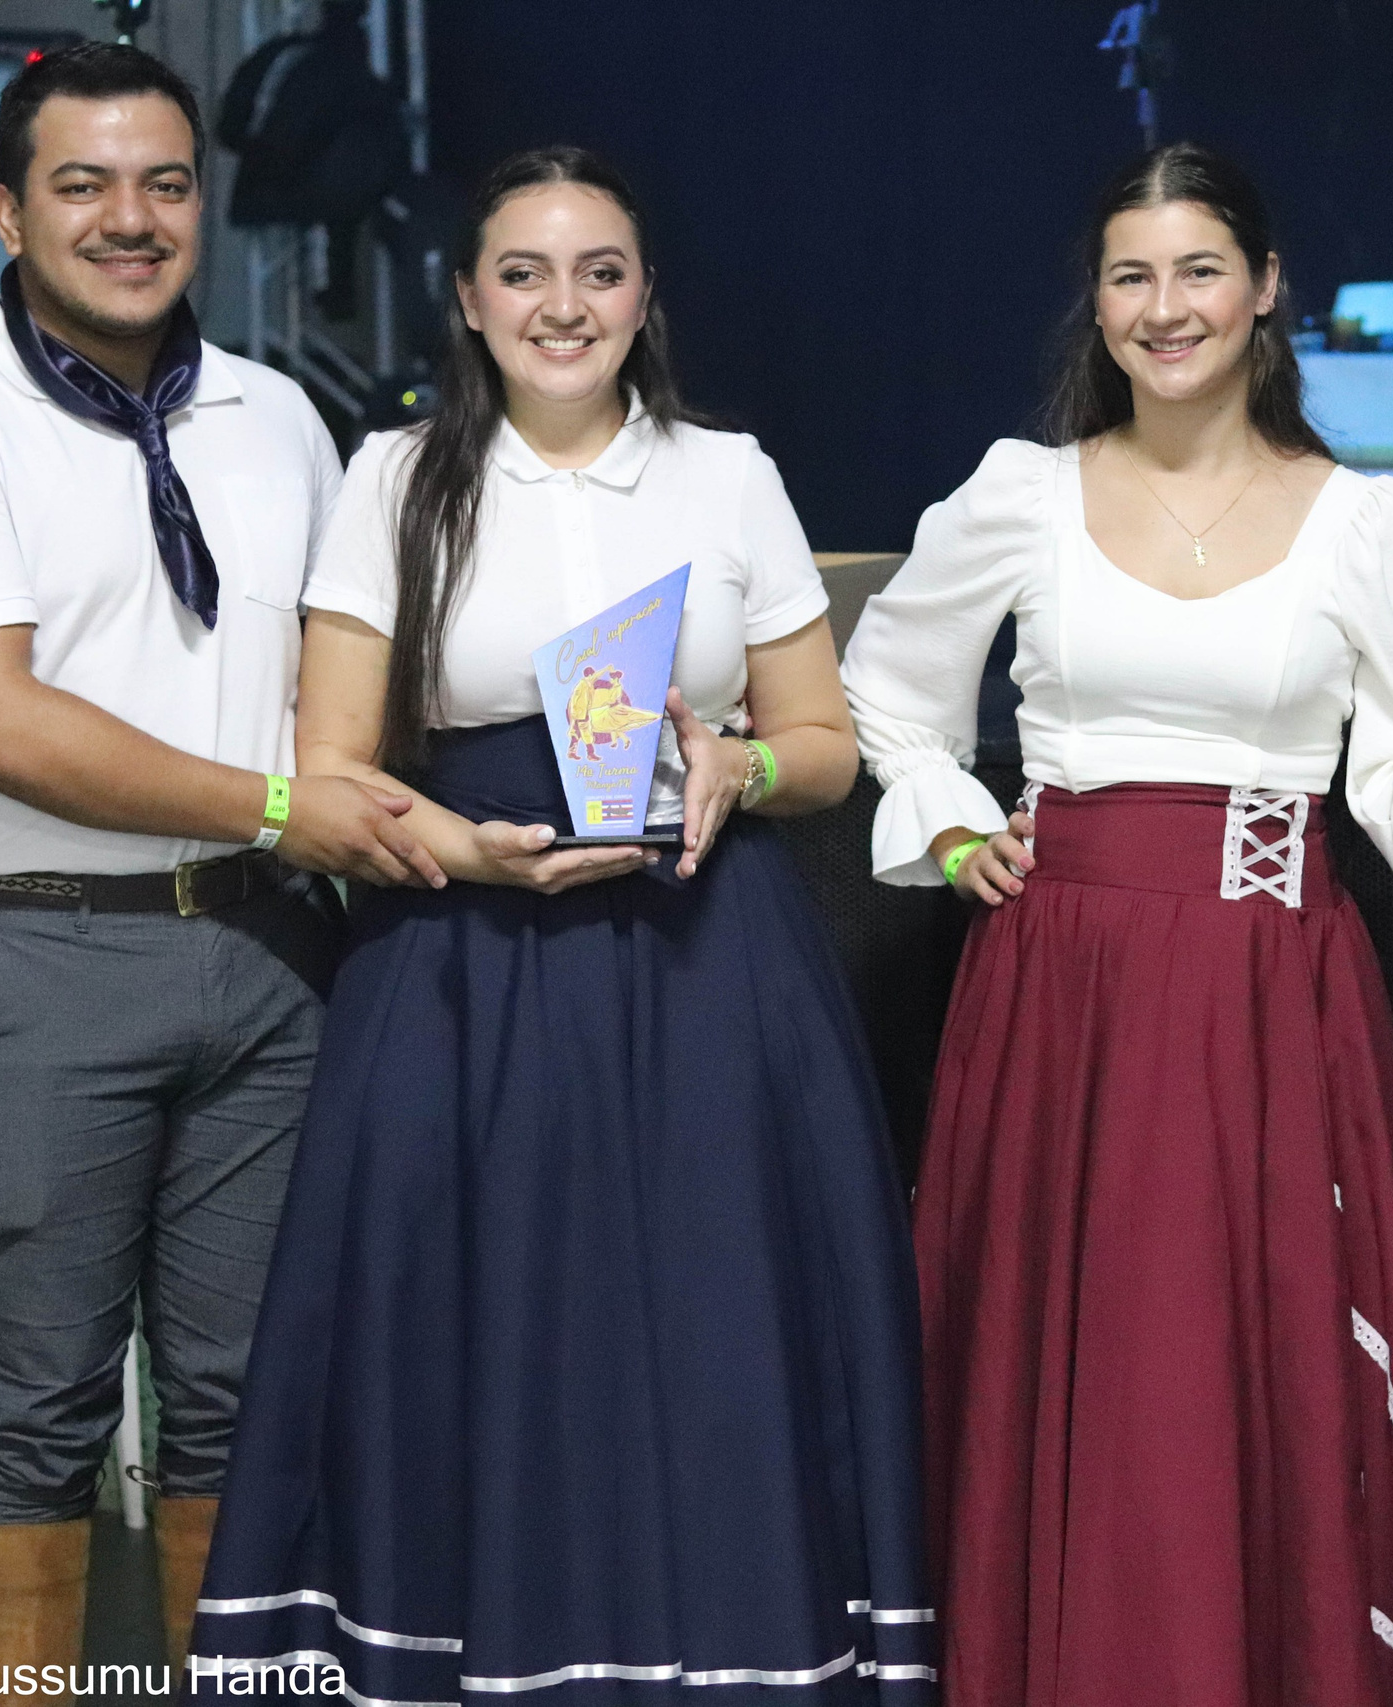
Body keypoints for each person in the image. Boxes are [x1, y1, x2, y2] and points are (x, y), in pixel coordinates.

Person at [189, 146, 937, 1700]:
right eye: (523, 271)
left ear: (646, 293)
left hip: (706, 964)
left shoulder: (728, 471)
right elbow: (330, 762)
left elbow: (829, 747)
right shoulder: (394, 478)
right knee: (477, 1340)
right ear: (467, 300)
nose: (562, 302)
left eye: (599, 269)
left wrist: (739, 757)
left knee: (715, 1338)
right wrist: (454, 845)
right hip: (463, 962)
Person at [841, 142, 1393, 1707]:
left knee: (1248, 1382)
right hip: (1061, 992)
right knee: (1072, 1383)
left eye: (1200, 269)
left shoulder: (1363, 519)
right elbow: (887, 683)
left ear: (1266, 289)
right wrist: (951, 823)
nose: (1167, 307)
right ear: (1099, 299)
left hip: (1272, 993)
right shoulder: (1027, 490)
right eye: (1133, 274)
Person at [0, 41, 432, 1701]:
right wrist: (273, 803)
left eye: (164, 182)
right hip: (38, 964)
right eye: (84, 183)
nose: (129, 218)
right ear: (8, 207)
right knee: (36, 1408)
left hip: (267, 964)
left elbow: (346, 693)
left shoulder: (280, 419)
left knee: (255, 1400)